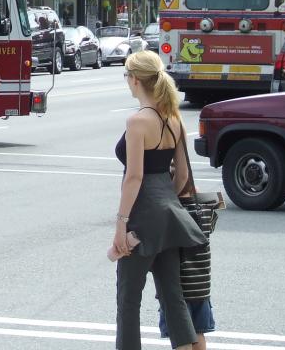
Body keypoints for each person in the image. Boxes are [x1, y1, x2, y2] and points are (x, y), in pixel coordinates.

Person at [112, 50, 206, 350]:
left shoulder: (137, 121)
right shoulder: (173, 119)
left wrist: (121, 224)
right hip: (170, 215)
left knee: (128, 299)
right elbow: (181, 175)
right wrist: (166, 202)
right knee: (172, 295)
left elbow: (134, 177)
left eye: (127, 75)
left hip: (142, 217)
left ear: (135, 80)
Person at [158, 181, 218, 350]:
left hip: (179, 289)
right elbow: (212, 225)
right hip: (201, 286)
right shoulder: (204, 209)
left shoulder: (171, 213)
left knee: (181, 335)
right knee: (199, 332)